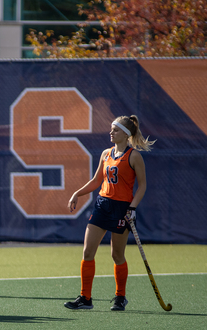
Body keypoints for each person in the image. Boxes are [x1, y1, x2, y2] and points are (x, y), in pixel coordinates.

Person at [64, 115, 155, 311]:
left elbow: (142, 186)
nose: (111, 132)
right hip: (102, 205)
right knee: (88, 252)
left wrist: (132, 208)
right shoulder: (106, 154)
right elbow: (97, 181)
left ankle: (120, 297)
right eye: (111, 129)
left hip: (122, 209)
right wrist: (76, 193)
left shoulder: (134, 156)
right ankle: (85, 298)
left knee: (117, 254)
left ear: (125, 134)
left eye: (115, 130)